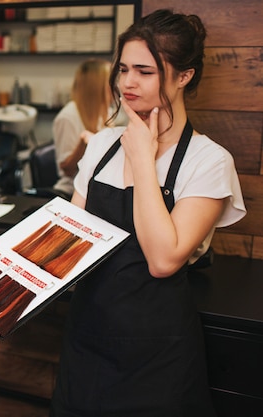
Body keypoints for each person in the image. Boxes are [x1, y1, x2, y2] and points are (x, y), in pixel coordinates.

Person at [50, 9, 246, 416]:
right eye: (123, 69)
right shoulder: (102, 145)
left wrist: (141, 158)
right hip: (86, 341)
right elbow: (67, 242)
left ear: (183, 76)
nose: (127, 83)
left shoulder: (208, 161)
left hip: (157, 357)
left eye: (144, 71)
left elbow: (162, 259)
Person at [51, 58, 116, 199]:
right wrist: (84, 143)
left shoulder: (105, 112)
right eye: (110, 82)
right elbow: (67, 170)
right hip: (71, 191)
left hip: (97, 186)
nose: (117, 86)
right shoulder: (68, 117)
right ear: (97, 86)